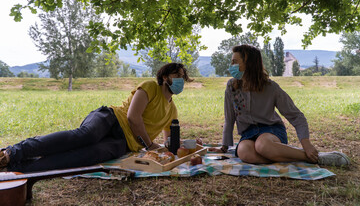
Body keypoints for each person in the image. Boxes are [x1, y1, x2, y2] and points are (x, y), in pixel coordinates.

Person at [0, 63, 192, 172]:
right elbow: (133, 118)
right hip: (110, 119)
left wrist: (187, 144)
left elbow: (169, 142)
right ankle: (13, 152)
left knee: (88, 155)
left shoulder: (172, 110)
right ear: (165, 77)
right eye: (177, 75)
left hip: (124, 143)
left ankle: (22, 168)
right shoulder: (150, 87)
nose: (180, 80)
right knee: (85, 136)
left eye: (183, 77)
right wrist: (149, 144)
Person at [209, 45, 350, 167]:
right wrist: (224, 147)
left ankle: (318, 157)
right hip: (248, 133)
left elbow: (296, 116)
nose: (231, 65)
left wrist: (306, 144)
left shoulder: (271, 87)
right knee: (244, 152)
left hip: (271, 130)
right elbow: (229, 119)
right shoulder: (231, 86)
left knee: (262, 145)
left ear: (249, 64)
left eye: (235, 62)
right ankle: (296, 155)